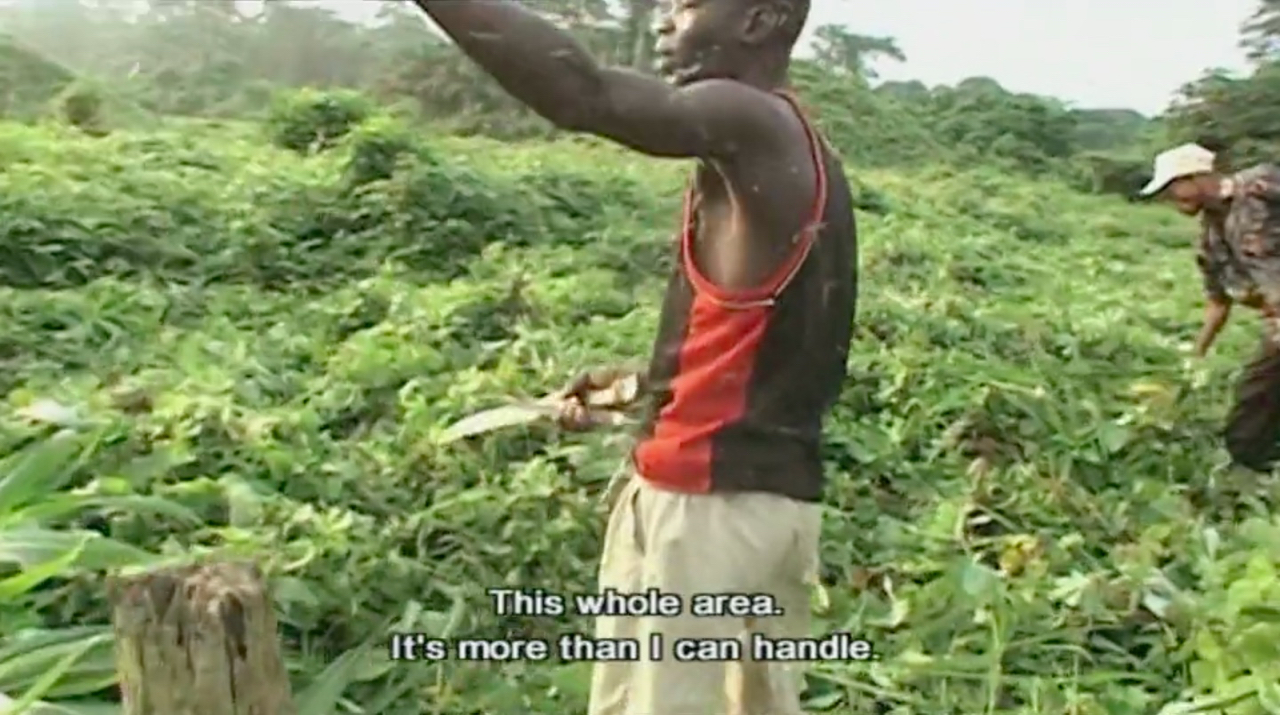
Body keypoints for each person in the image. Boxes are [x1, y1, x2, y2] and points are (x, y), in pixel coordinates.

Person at [412, 1, 857, 713]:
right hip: (769, 509)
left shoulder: (751, 123)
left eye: (685, 3)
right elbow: (777, 355)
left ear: (758, 20)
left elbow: (582, 92)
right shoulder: (795, 147)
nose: (661, 21)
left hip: (703, 519)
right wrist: (639, 390)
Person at [1140, 142, 1280, 471]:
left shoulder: (1261, 185)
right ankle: (1250, 465)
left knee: (1257, 389)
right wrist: (1197, 353)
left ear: (1198, 177)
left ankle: (1246, 464)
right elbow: (1218, 303)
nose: (1170, 199)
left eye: (1174, 188)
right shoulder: (1212, 241)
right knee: (1259, 391)